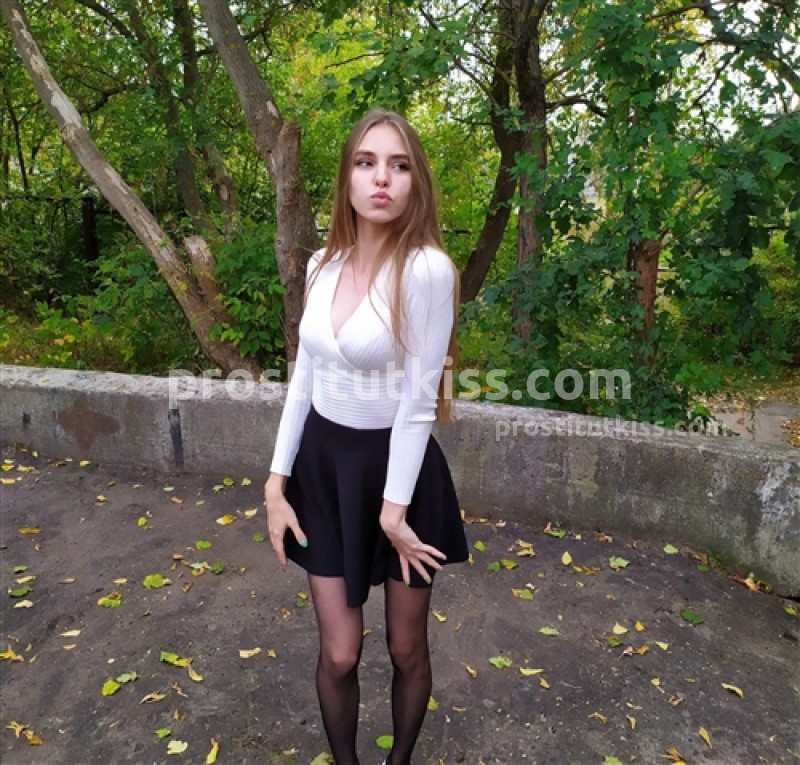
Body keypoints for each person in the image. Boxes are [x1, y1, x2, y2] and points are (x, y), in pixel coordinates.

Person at [263, 108, 469, 765]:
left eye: (399, 165)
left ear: (415, 183)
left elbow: (418, 401)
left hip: (401, 475)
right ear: (347, 179)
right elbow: (304, 378)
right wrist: (275, 485)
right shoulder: (322, 264)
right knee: (339, 652)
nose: (382, 178)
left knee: (406, 647)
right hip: (325, 472)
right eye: (366, 162)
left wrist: (394, 511)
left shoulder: (428, 270)